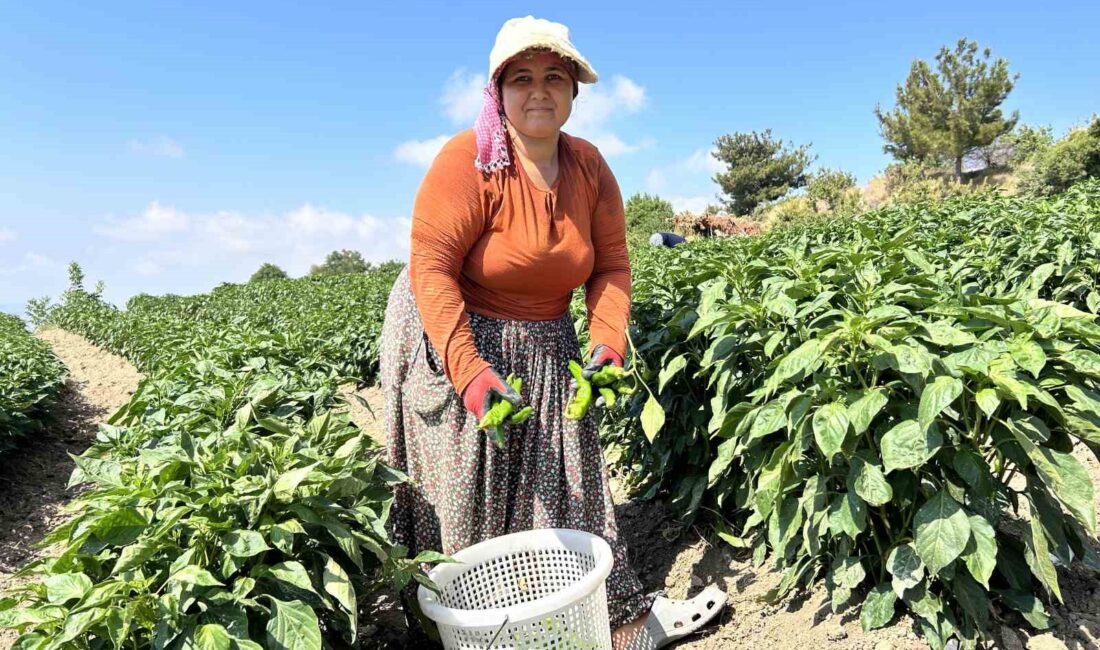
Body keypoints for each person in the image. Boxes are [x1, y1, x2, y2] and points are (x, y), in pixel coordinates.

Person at [379, 15, 725, 649]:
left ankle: (616, 625)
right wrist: (473, 375)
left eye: (554, 77)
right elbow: (431, 272)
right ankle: (480, 631)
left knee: (569, 478)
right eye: (522, 78)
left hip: (546, 336)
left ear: (572, 91)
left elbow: (613, 264)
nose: (539, 91)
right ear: (498, 92)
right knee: (471, 482)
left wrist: (607, 344)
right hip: (454, 329)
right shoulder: (468, 161)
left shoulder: (589, 166)